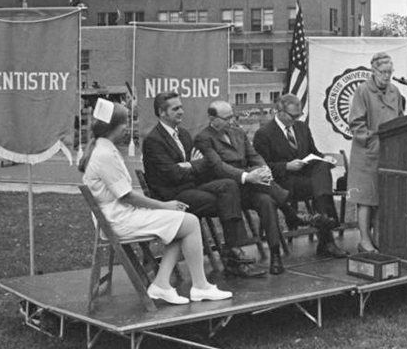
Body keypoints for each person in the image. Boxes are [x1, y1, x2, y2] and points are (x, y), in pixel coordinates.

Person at [81, 98, 232, 305]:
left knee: (181, 222)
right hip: (117, 220)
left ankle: (162, 284)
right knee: (188, 222)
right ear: (112, 128)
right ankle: (200, 286)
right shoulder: (105, 154)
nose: (127, 129)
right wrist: (164, 205)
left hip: (119, 215)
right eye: (124, 124)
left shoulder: (104, 148)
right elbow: (127, 195)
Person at [142, 91, 265, 278]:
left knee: (230, 185)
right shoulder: (153, 140)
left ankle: (233, 251)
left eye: (181, 107)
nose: (181, 111)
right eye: (176, 108)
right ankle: (234, 256)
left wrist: (189, 166)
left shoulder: (183, 134)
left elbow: (204, 164)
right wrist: (192, 165)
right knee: (228, 201)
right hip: (172, 196)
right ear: (162, 112)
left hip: (192, 187)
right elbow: (173, 175)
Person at [194, 100, 314, 275]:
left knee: (266, 201)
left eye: (232, 117)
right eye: (226, 118)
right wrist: (247, 176)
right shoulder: (204, 138)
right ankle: (290, 212)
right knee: (263, 188)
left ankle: (275, 256)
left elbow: (254, 156)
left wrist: (263, 168)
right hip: (226, 189)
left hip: (248, 187)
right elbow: (218, 167)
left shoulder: (238, 132)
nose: (231, 121)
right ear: (212, 118)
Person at [253, 93, 349, 259]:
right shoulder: (264, 134)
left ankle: (323, 222)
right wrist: (286, 166)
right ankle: (328, 231)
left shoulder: (301, 127)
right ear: (279, 112)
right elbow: (262, 166)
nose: (296, 119)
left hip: (305, 180)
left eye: (299, 115)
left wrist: (324, 158)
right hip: (282, 183)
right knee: (321, 187)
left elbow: (313, 152)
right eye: (293, 116)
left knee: (321, 168)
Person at [347, 52, 405, 253]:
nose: (387, 76)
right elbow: (356, 123)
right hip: (367, 154)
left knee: (384, 199)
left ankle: (381, 239)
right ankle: (364, 241)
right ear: (373, 71)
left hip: (390, 153)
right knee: (366, 200)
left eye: (390, 72)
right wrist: (373, 142)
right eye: (383, 72)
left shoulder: (395, 91)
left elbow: (400, 117)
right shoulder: (362, 91)